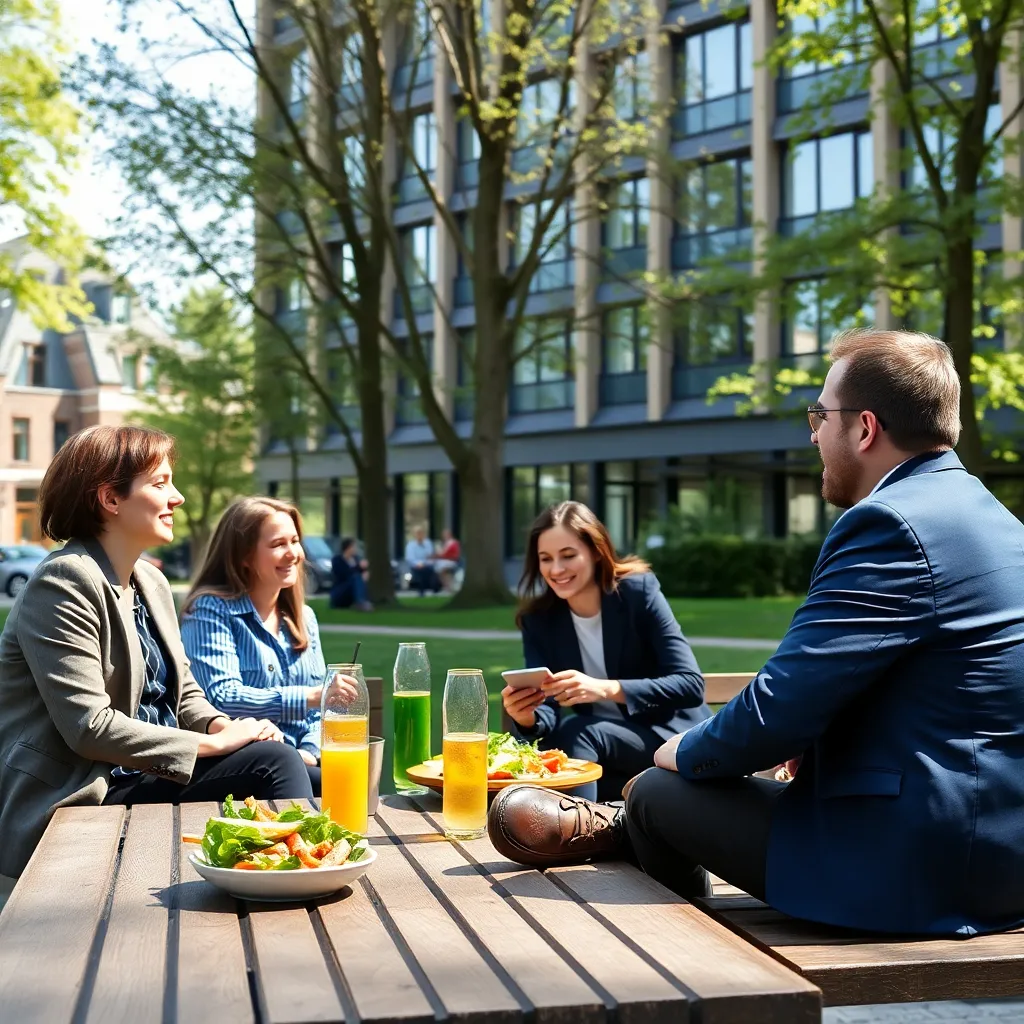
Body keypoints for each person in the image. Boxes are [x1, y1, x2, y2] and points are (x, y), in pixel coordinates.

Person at [489, 329, 1024, 939]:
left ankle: (684, 957)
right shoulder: (1000, 523)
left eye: (820, 415)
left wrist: (685, 752)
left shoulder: (887, 524)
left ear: (866, 428)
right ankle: (614, 827)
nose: (814, 432)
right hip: (1002, 861)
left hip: (910, 867)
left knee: (659, 792)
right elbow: (947, 686)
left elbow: (778, 706)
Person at [0, 426, 313, 880]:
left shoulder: (152, 582)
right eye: (161, 483)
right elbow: (89, 728)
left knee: (316, 773)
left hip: (149, 775)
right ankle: (291, 888)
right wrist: (211, 744)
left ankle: (292, 877)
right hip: (89, 791)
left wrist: (227, 726)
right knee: (277, 764)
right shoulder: (63, 583)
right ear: (110, 499)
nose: (178, 497)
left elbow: (184, 694)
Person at [501, 501, 711, 802]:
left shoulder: (638, 593)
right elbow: (546, 710)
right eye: (545, 559)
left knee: (579, 732)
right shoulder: (539, 620)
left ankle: (575, 837)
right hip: (606, 758)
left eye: (568, 555)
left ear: (596, 552)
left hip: (670, 739)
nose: (556, 569)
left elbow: (690, 685)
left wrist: (605, 689)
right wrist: (526, 717)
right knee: (564, 745)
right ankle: (575, 831)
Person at [180, 497, 328, 794]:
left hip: (305, 761)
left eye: (295, 541)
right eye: (277, 544)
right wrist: (309, 696)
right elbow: (219, 697)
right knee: (334, 785)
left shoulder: (304, 618)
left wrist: (309, 752)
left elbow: (319, 715)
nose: (293, 554)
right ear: (243, 556)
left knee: (355, 781)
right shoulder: (211, 610)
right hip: (244, 764)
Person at [329, 537, 372, 610]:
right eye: (354, 547)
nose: (356, 549)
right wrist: (359, 567)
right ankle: (360, 602)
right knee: (356, 577)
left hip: (351, 592)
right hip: (340, 591)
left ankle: (363, 601)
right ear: (348, 548)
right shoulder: (337, 560)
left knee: (359, 578)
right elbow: (344, 574)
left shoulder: (356, 559)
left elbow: (360, 572)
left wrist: (364, 572)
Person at [404, 525, 439, 596]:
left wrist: (424, 563)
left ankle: (434, 589)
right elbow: (410, 558)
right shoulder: (410, 545)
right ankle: (421, 590)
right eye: (417, 533)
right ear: (414, 534)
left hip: (427, 565)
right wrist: (418, 564)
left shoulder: (428, 543)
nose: (419, 535)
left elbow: (430, 556)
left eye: (420, 533)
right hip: (415, 566)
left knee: (431, 570)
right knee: (417, 571)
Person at [433, 528, 462, 593]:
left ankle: (449, 587)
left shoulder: (452, 543)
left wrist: (438, 552)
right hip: (446, 562)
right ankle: (448, 588)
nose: (444, 536)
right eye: (444, 535)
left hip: (451, 562)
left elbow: (444, 553)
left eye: (446, 534)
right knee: (442, 573)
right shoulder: (446, 543)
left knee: (442, 571)